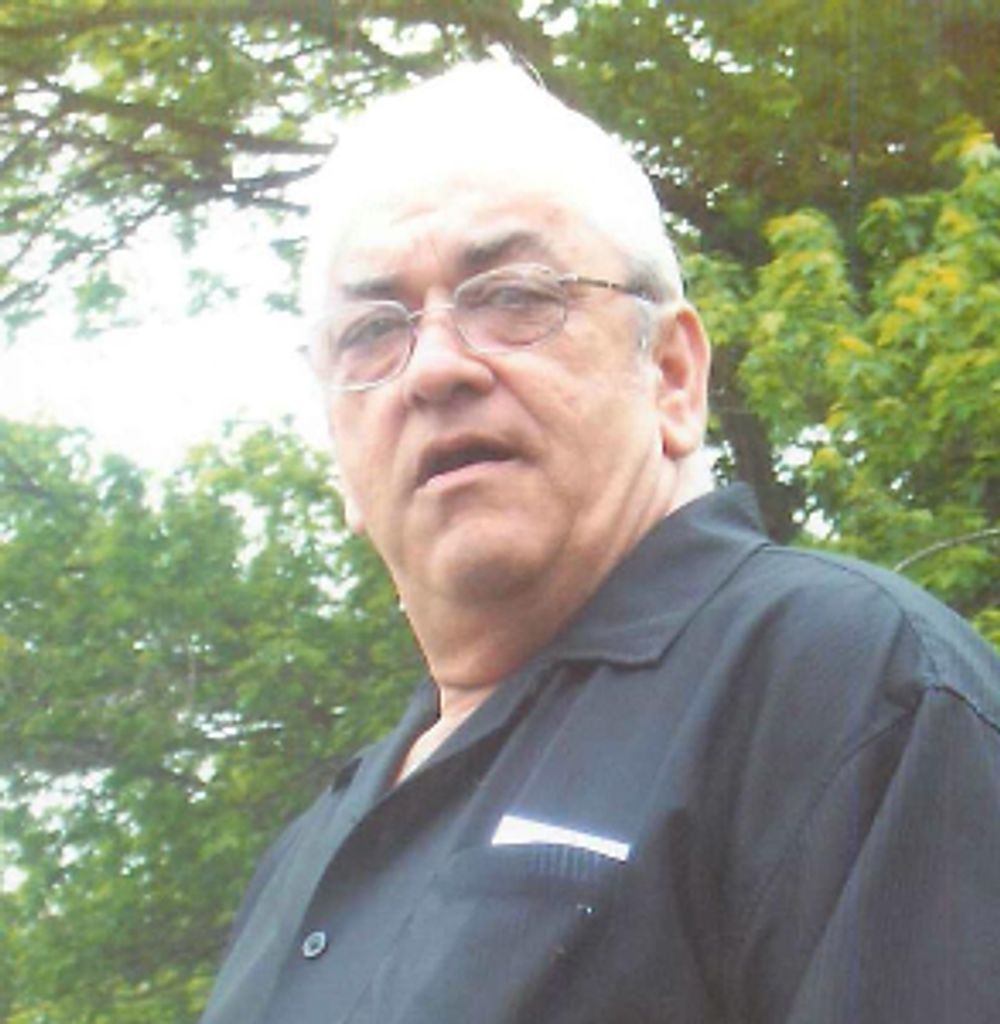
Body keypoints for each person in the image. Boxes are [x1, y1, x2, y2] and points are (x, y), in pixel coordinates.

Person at [199, 61, 1000, 1024]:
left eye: (512, 295)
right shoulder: (306, 858)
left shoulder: (844, 682)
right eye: (372, 330)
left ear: (672, 375)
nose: (435, 368)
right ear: (338, 454)